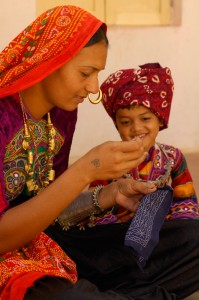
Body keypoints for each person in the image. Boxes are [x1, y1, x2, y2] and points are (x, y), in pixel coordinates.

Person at [0, 6, 158, 300]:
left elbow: (49, 206)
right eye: (86, 73)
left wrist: (108, 194)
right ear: (48, 60)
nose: (93, 88)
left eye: (96, 73)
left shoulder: (61, 115)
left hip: (41, 242)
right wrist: (86, 169)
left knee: (187, 239)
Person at [53, 63, 199, 300]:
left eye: (145, 118)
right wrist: (122, 225)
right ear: (116, 124)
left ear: (160, 120)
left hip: (163, 237)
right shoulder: (109, 160)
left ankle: (130, 285)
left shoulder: (173, 158)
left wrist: (173, 230)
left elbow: (187, 203)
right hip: (119, 240)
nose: (136, 128)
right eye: (125, 122)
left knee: (193, 235)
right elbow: (96, 208)